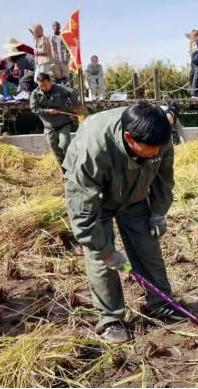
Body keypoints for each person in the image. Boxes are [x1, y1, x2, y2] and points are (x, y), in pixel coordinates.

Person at [62, 101, 186, 343]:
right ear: (129, 138)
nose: (156, 152)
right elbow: (83, 212)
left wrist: (158, 211)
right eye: (150, 149)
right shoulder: (92, 149)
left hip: (134, 195)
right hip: (96, 200)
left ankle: (161, 303)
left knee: (148, 247)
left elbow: (164, 176)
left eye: (158, 148)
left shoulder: (158, 136)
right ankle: (110, 319)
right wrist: (105, 250)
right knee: (102, 258)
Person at [30, 73, 78, 166]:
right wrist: (48, 111)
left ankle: (72, 165)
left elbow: (73, 92)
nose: (43, 88)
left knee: (64, 144)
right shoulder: (35, 94)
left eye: (45, 85)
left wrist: (73, 107)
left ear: (50, 82)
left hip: (64, 123)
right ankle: (63, 169)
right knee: (55, 151)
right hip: (49, 127)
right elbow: (34, 109)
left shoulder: (59, 88)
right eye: (41, 86)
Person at [50, 21, 70, 86]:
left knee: (66, 78)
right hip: (55, 61)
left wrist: (68, 57)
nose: (56, 27)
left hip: (64, 60)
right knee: (58, 79)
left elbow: (69, 47)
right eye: (54, 25)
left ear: (60, 27)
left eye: (57, 25)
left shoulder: (64, 36)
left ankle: (67, 91)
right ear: (52, 28)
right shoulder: (50, 38)